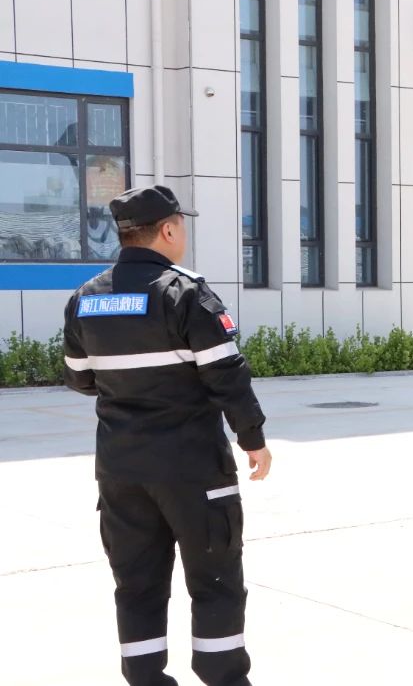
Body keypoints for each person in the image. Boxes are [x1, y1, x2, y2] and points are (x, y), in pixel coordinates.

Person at [62, 185, 271, 686]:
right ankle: (223, 677)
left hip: (120, 470)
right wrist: (252, 437)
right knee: (215, 578)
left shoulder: (86, 298)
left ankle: (145, 677)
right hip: (192, 468)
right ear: (169, 230)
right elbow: (226, 375)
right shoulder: (185, 293)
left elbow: (80, 378)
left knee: (136, 584)